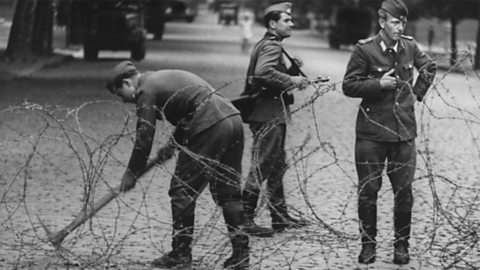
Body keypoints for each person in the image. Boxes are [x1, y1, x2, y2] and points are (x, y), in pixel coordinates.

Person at [106, 61, 249, 270]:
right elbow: (190, 108)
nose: (124, 101)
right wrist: (172, 145)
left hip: (210, 126)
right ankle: (241, 255)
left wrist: (131, 172)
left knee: (182, 191)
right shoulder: (159, 78)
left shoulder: (146, 90)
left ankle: (180, 256)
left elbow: (144, 137)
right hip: (232, 120)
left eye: (120, 95)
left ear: (127, 83)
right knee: (229, 192)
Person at [342, 0, 436, 265]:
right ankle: (368, 246)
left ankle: (401, 247)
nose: (400, 26)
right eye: (395, 22)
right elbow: (348, 85)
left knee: (404, 192)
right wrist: (378, 84)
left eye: (403, 22)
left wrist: (417, 94)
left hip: (403, 135)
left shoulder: (410, 46)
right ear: (382, 22)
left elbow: (429, 67)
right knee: (368, 191)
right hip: (371, 135)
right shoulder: (365, 50)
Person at [241, 2, 310, 237]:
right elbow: (263, 73)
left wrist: (291, 70)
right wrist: (293, 81)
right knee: (262, 164)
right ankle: (244, 218)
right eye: (286, 20)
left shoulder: (270, 45)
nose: (291, 23)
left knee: (277, 165)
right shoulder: (272, 47)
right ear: (272, 24)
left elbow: (268, 77)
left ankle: (279, 217)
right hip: (267, 114)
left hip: (270, 112)